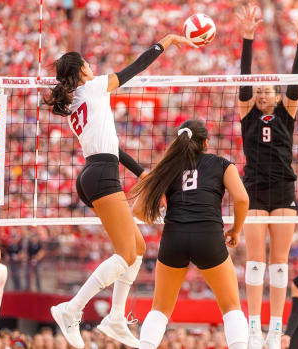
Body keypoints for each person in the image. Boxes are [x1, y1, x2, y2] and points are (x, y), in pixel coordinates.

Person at [44, 33, 196, 349]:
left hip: (95, 170)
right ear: (82, 69)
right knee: (126, 253)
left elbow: (111, 147)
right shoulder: (94, 87)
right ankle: (70, 309)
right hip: (100, 175)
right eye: (86, 62)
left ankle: (114, 317)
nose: (91, 64)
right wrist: (164, 43)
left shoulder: (76, 102)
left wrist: (143, 173)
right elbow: (134, 69)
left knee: (137, 248)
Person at [235, 4, 298, 348]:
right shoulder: (247, 114)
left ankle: (273, 328)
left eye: (270, 89)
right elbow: (244, 77)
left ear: (278, 95)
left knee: (279, 264)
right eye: (260, 90)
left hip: (283, 189)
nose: (264, 92)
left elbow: (296, 82)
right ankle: (253, 326)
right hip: (254, 189)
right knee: (255, 262)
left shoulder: (287, 113)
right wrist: (247, 39)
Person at [131, 120, 250, 349]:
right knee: (231, 306)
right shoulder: (222, 164)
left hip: (174, 236)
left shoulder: (167, 167)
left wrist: (165, 218)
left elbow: (138, 210)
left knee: (160, 309)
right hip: (209, 236)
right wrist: (235, 230)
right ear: (206, 142)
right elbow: (242, 199)